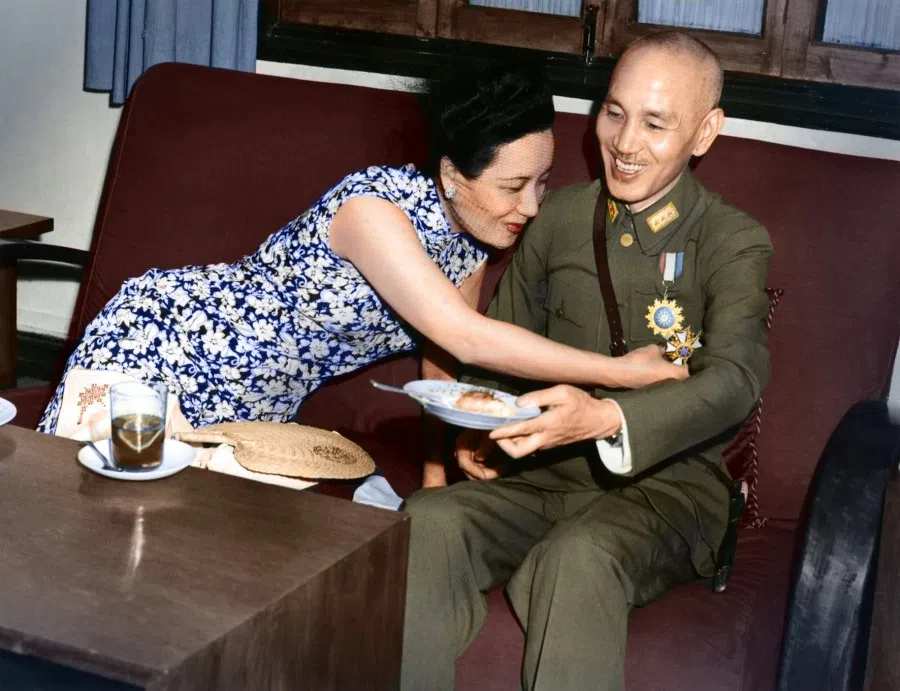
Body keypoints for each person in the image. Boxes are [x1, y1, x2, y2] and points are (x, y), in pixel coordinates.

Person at [400, 31, 773, 691]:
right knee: (426, 523)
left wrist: (604, 417)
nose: (625, 143)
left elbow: (734, 381)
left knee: (577, 556)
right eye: (614, 111)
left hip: (665, 491)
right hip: (542, 476)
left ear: (706, 131)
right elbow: (500, 341)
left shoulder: (733, 240)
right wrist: (479, 422)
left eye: (656, 123)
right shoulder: (561, 216)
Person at [37, 63, 685, 438]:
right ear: (453, 175)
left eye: (542, 183)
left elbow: (442, 375)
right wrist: (623, 370)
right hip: (169, 343)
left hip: (255, 410)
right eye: (513, 186)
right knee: (82, 536)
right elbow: (468, 337)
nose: (532, 207)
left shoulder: (468, 250)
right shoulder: (372, 210)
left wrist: (440, 477)